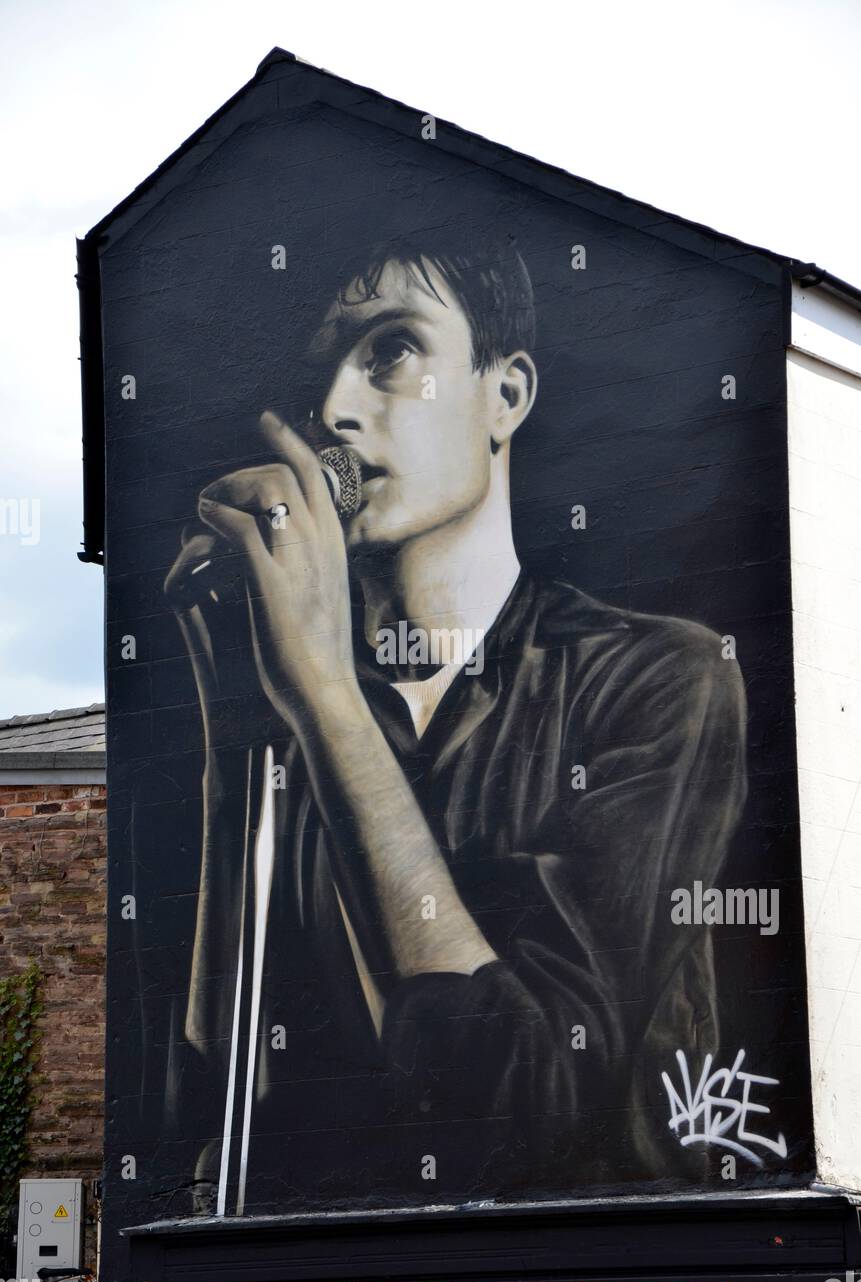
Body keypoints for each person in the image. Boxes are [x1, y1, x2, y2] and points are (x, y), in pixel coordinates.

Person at [165, 234, 748, 1216]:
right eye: (320, 379)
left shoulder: (657, 679)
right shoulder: (298, 694)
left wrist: (329, 710)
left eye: (391, 351)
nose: (337, 412)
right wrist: (240, 729)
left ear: (506, 394)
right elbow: (218, 1097)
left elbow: (526, 1106)